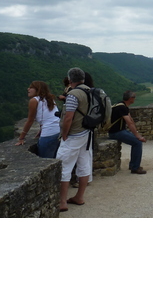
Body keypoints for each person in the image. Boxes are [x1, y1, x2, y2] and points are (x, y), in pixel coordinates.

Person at [56, 67, 93, 211]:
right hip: (86, 133)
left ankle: (62, 202)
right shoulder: (91, 91)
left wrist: (64, 134)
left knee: (64, 167)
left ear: (70, 80)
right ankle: (79, 197)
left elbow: (68, 118)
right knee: (84, 165)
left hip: (74, 135)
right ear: (83, 79)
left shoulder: (73, 94)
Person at [16, 80, 61, 158]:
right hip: (59, 131)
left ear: (38, 89)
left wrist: (21, 138)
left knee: (45, 160)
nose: (28, 89)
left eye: (31, 87)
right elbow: (48, 117)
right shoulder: (49, 99)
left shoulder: (34, 100)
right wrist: (41, 130)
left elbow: (30, 120)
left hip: (49, 134)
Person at [108, 91, 147, 174]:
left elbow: (131, 120)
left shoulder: (121, 105)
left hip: (117, 131)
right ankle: (135, 167)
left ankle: (133, 165)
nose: (135, 99)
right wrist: (138, 136)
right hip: (116, 132)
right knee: (137, 143)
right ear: (130, 99)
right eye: (134, 97)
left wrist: (136, 134)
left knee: (136, 141)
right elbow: (129, 123)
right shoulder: (122, 108)